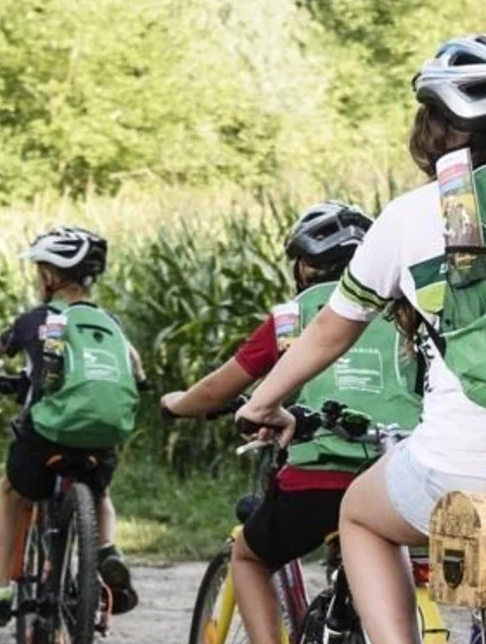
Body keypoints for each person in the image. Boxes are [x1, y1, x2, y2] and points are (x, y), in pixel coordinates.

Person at [235, 34, 486, 644]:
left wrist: (263, 402)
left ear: (438, 123)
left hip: (464, 465)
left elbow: (329, 332)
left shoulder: (415, 212)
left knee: (361, 518)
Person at [163, 201, 422, 644]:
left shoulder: (294, 317)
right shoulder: (406, 313)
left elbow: (218, 389)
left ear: (304, 268)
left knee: (249, 558)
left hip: (318, 482)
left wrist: (176, 404)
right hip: (400, 474)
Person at [0, 226, 146, 627]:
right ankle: (108, 549)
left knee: (11, 490)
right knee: (99, 487)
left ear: (50, 276)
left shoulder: (36, 320)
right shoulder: (108, 323)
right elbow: (137, 370)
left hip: (47, 436)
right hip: (104, 435)